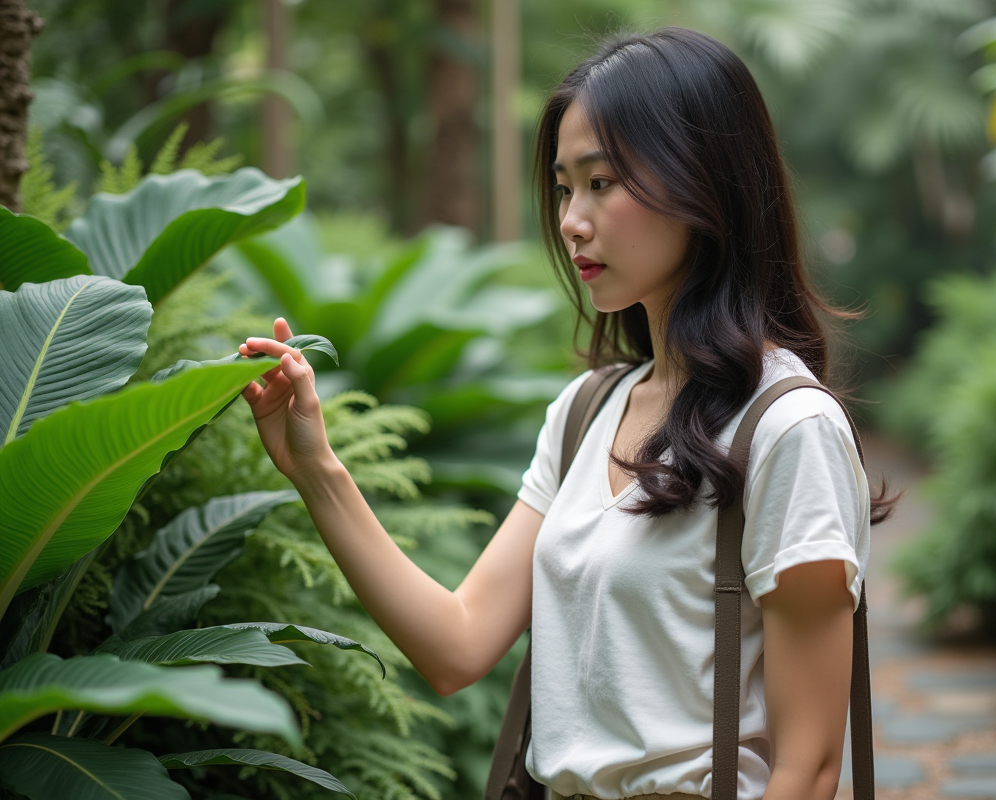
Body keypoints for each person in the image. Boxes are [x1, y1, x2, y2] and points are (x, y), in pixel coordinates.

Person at [239, 26, 895, 800]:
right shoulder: (588, 410)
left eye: (602, 182)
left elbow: (810, 769)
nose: (571, 220)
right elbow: (457, 645)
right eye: (562, 187)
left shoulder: (788, 430)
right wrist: (315, 468)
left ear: (704, 184)